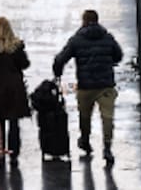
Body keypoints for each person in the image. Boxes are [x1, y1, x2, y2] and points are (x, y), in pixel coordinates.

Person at [52, 9, 124, 166]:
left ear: (83, 21)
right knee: (107, 117)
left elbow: (61, 59)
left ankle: (85, 140)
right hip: (106, 85)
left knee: (85, 116)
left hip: (86, 86)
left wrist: (57, 74)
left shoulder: (77, 40)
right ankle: (107, 147)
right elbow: (118, 55)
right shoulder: (107, 37)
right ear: (97, 21)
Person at [0, 16, 30, 163]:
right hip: (15, 88)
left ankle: (0, 152)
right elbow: (25, 64)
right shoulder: (16, 46)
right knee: (14, 122)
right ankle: (14, 154)